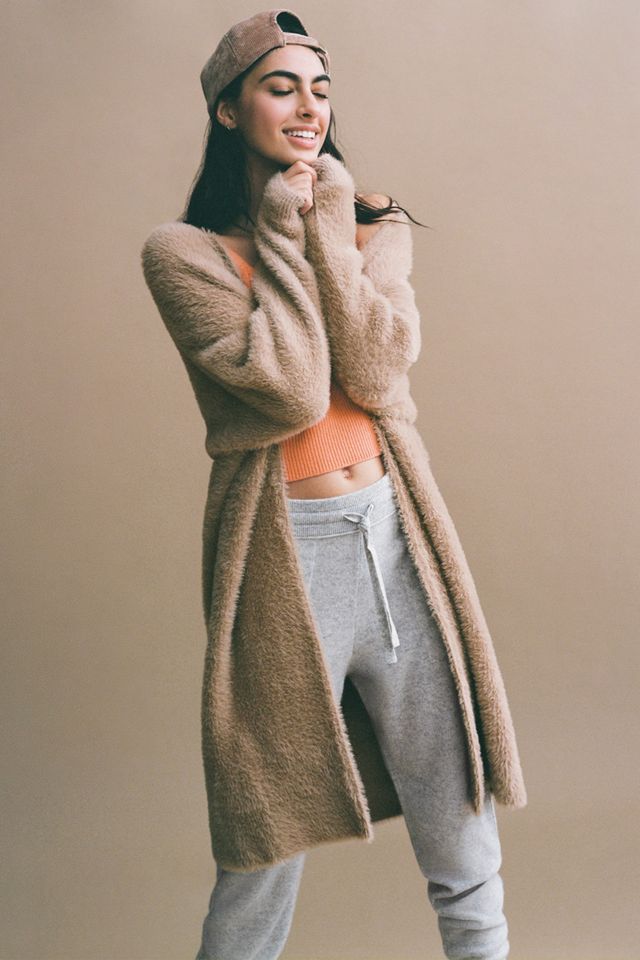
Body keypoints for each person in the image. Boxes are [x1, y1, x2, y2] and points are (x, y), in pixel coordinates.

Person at [140, 10, 528, 960]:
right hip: (285, 558)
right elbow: (290, 389)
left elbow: (377, 372)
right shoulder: (183, 253)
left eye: (320, 89)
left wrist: (331, 225)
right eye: (280, 87)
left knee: (464, 833)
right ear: (227, 110)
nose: (307, 107)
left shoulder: (372, 223)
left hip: (399, 541)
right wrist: (285, 228)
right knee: (263, 848)